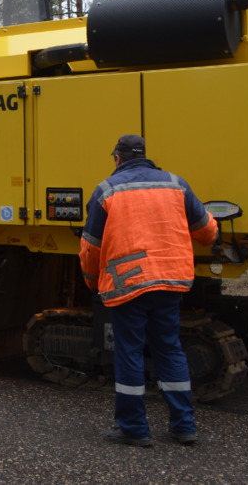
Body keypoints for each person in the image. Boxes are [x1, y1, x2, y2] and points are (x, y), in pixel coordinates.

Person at [79, 134, 219, 447]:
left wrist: (92, 281)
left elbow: (91, 247)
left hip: (127, 283)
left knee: (129, 351)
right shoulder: (175, 183)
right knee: (169, 348)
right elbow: (207, 232)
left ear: (117, 158)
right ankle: (184, 426)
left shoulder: (107, 190)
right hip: (170, 280)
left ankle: (133, 428)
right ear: (145, 155)